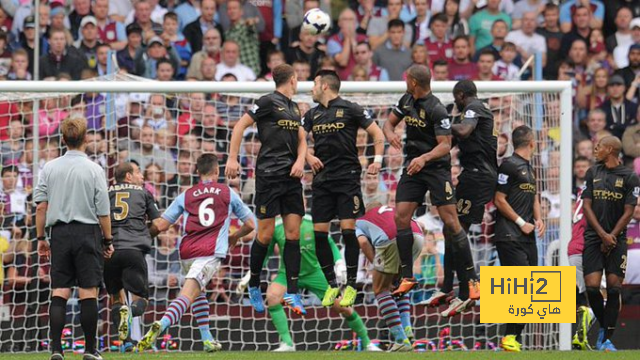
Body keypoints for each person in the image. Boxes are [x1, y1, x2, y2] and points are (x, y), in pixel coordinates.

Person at [138, 153, 255, 352]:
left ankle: (207, 338)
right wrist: (235, 237)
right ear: (217, 171)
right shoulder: (227, 192)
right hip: (209, 252)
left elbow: (162, 224)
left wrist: (139, 237)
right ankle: (162, 324)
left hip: (186, 252)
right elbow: (251, 224)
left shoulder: (186, 194)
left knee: (198, 292)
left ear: (197, 172)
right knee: (188, 294)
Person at [382, 65, 480, 301]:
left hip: (435, 168)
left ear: (414, 82)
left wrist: (424, 158)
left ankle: (472, 279)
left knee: (451, 221)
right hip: (414, 166)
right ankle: (407, 276)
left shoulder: (437, 109)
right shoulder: (406, 100)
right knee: (401, 215)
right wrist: (389, 133)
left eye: (407, 79)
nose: (405, 82)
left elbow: (445, 145)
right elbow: (388, 123)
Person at [225, 64, 307, 314]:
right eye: (297, 78)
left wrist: (301, 160)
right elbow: (239, 126)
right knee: (265, 235)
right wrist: (232, 158)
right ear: (292, 79)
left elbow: (302, 139)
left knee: (293, 235)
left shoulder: (295, 108)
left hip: (292, 177)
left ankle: (292, 293)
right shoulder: (267, 101)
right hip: (269, 175)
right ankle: (254, 284)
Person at [302, 69, 385, 307]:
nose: (311, 89)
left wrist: (377, 162)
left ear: (325, 86)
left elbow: (377, 133)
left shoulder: (351, 108)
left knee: (350, 233)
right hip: (321, 181)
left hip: (347, 179)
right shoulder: (311, 114)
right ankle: (330, 286)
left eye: (314, 84)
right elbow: (297, 139)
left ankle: (351, 285)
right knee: (319, 235)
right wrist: (307, 156)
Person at [238, 214, 379, 352]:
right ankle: (287, 343)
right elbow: (266, 253)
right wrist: (251, 274)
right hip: (286, 273)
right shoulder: (277, 227)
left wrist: (339, 262)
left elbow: (330, 244)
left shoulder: (313, 223)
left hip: (315, 273)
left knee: (343, 307)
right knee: (272, 296)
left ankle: (367, 343)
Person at [34, 117, 114, 360]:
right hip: (87, 232)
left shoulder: (49, 167)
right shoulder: (94, 169)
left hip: (59, 233)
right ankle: (90, 350)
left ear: (63, 140)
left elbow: (40, 207)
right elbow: (103, 210)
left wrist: (40, 238)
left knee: (60, 291)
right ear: (86, 139)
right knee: (88, 291)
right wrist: (108, 240)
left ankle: (57, 349)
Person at [426, 80, 495, 317]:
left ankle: (467, 291)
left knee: (456, 230)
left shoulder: (474, 107)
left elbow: (463, 130)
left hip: (478, 176)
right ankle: (450, 289)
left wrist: (443, 122)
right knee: (451, 230)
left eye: (456, 100)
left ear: (461, 95)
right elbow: (453, 140)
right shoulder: (477, 108)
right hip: (473, 175)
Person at [582, 136, 640, 352]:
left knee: (614, 288)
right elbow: (587, 206)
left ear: (610, 150)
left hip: (617, 239)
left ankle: (605, 339)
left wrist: (611, 236)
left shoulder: (629, 176)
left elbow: (629, 211)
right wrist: (602, 235)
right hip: (593, 237)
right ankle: (605, 331)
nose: (595, 149)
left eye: (599, 146)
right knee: (592, 287)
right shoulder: (592, 172)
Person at [493, 125, 545, 352]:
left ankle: (512, 337)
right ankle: (509, 337)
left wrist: (538, 218)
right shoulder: (509, 165)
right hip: (509, 234)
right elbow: (499, 199)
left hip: (527, 235)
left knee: (530, 287)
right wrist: (521, 222)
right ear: (531, 143)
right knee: (520, 285)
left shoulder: (529, 167)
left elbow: (532, 195)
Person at [104, 162, 161, 347]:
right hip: (134, 250)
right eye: (139, 173)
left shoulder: (105, 192)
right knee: (141, 299)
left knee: (115, 299)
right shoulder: (143, 193)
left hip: (110, 251)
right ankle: (130, 313)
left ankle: (127, 343)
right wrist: (144, 234)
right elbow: (159, 224)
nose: (142, 177)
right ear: (128, 176)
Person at [356, 203, 423, 352]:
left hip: (390, 238)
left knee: (380, 289)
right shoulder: (391, 209)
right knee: (399, 283)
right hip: (418, 235)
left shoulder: (361, 220)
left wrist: (376, 264)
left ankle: (400, 339)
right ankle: (407, 329)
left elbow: (363, 242)